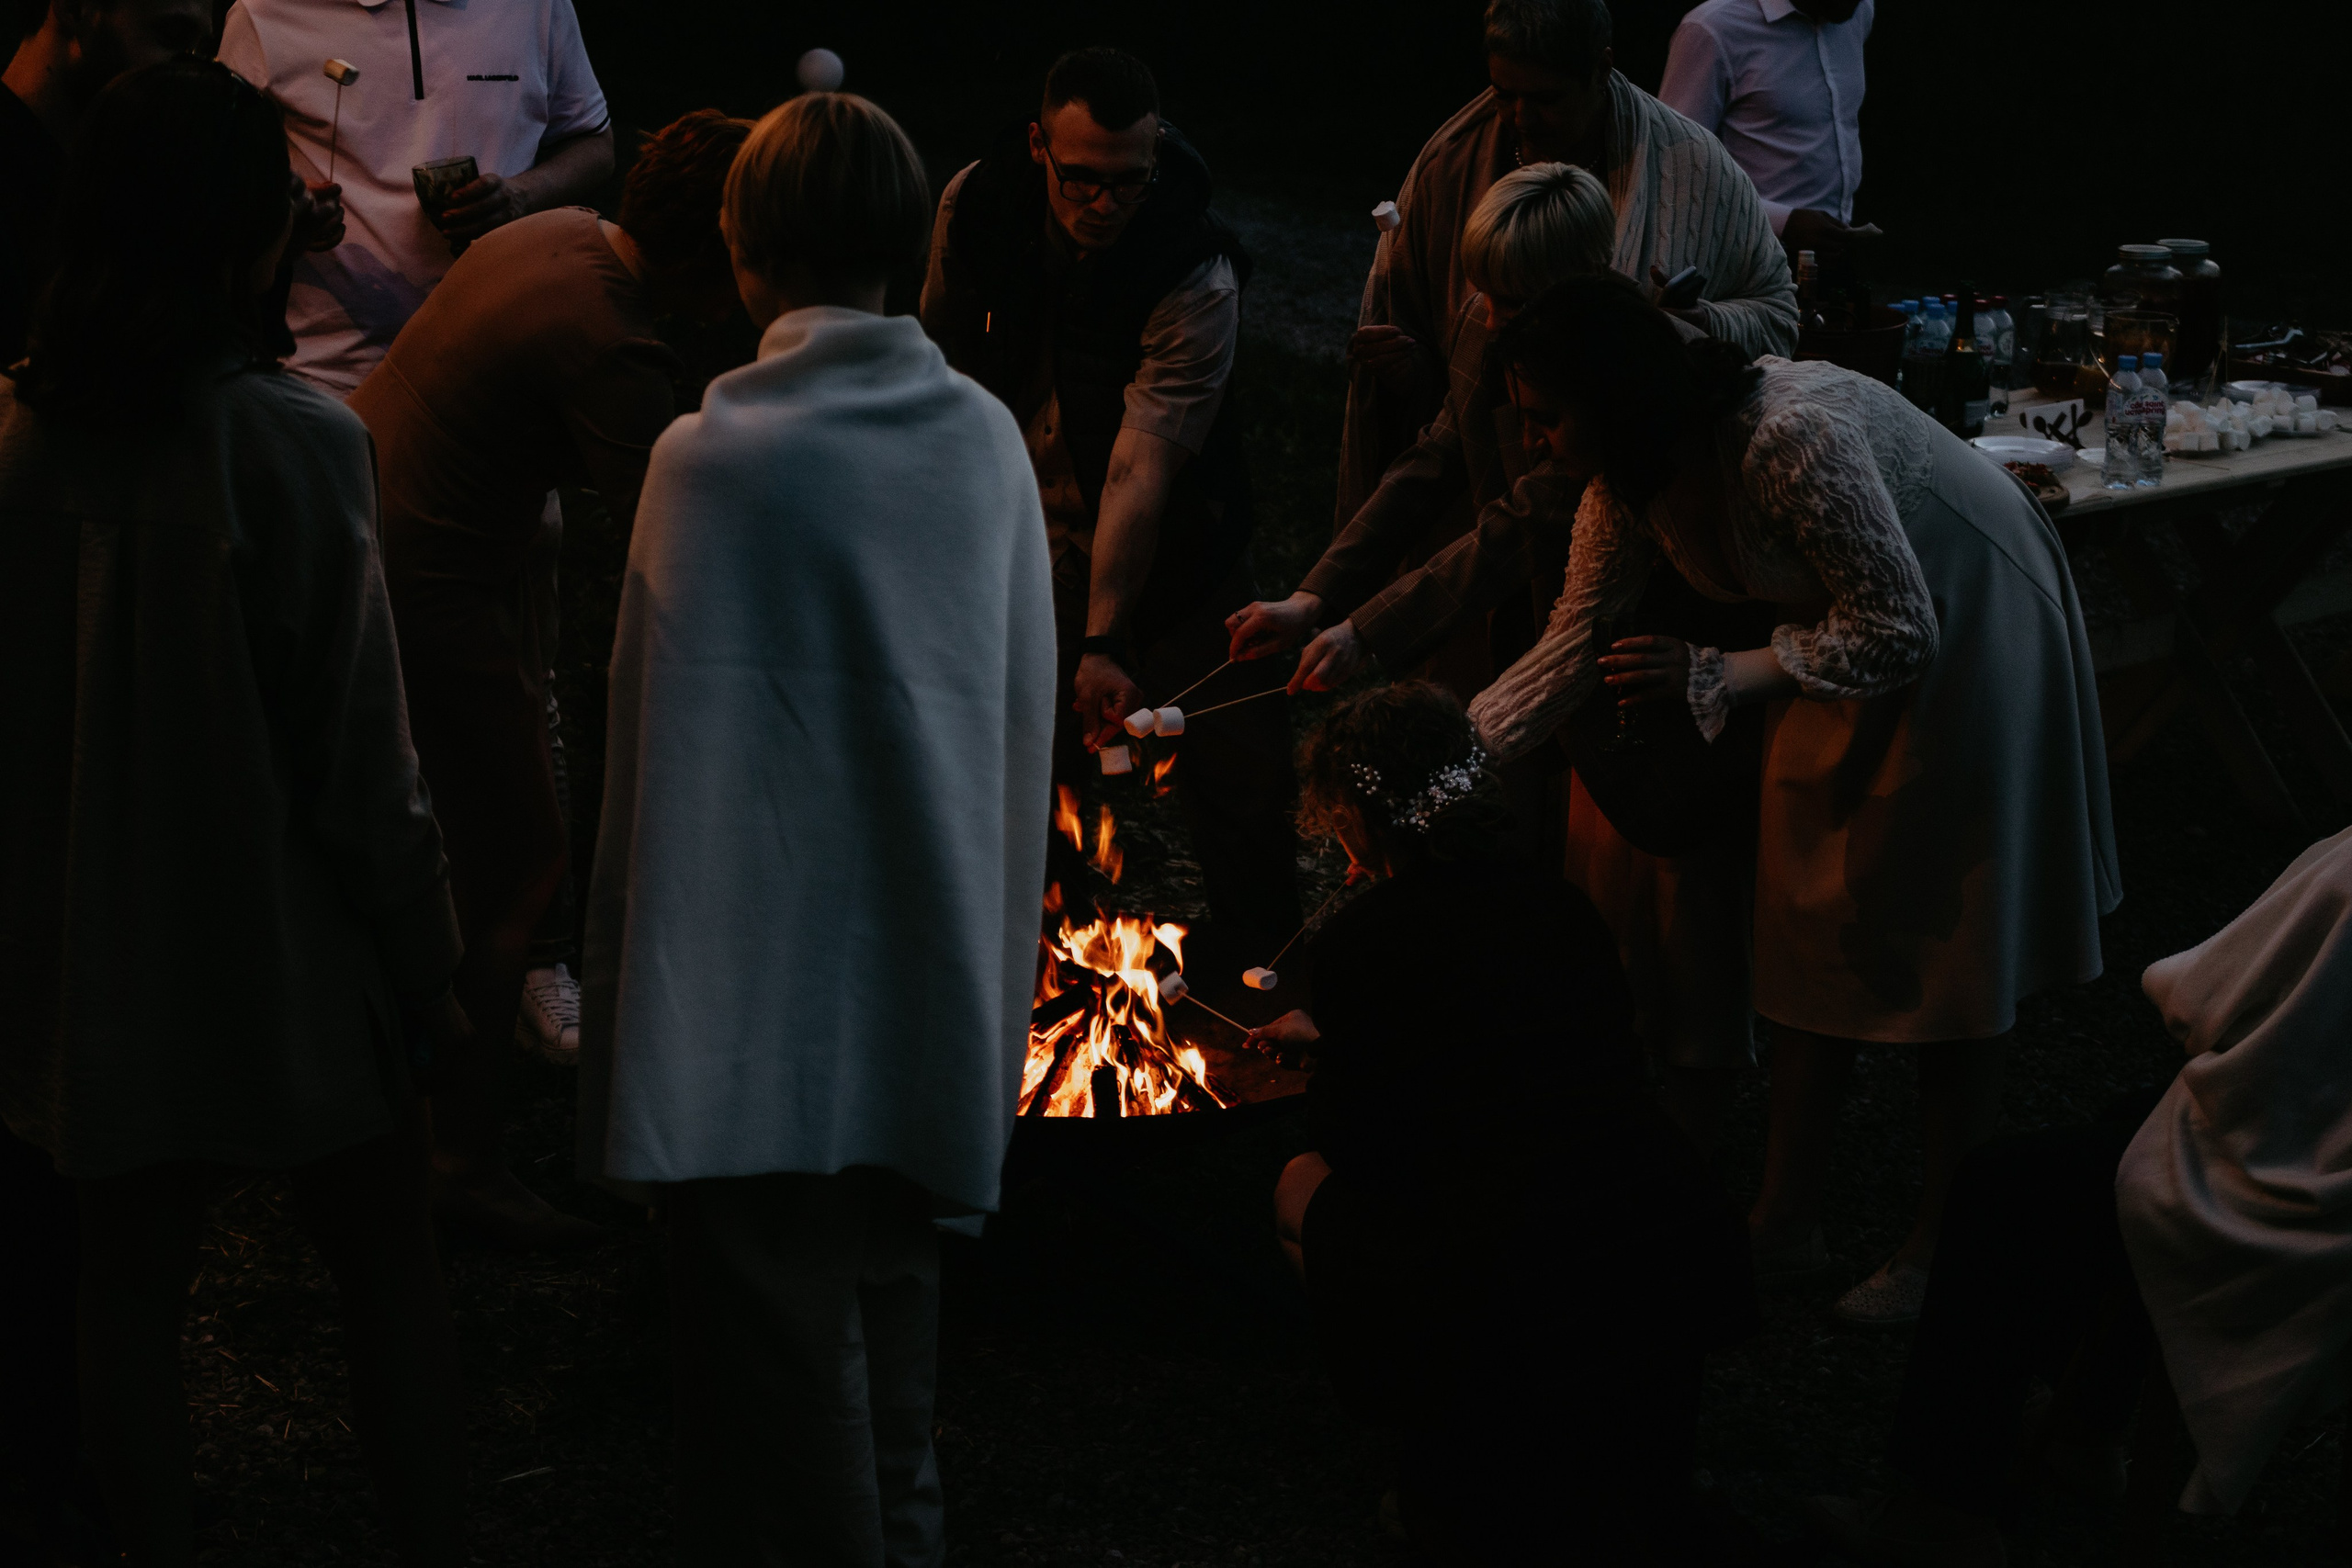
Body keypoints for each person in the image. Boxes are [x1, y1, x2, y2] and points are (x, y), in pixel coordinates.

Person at [0, 58, 468, 1565]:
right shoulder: (291, 445)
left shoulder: (16, 437)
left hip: (93, 950)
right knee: (387, 1263)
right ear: (237, 238)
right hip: (287, 959)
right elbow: (362, 754)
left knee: (125, 1281)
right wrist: (428, 968)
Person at [578, 91, 1055, 1565]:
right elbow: (1019, 722)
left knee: (782, 1393)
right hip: (920, 972)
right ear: (911, 251)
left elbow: (653, 764)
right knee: (890, 1332)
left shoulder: (707, 462)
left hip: (745, 1015)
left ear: (740, 253)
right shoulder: (981, 447)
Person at [1467, 276, 2120, 1325]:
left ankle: (1943, 1242)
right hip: (1820, 631)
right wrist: (1446, 772)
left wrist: (1723, 673)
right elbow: (1571, 644)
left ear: (1617, 396)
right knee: (1808, 904)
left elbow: (1901, 630)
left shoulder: (1786, 436)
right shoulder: (1629, 481)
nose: (1532, 440)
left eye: (1546, 416)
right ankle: (1786, 1220)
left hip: (1961, 612)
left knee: (1949, 929)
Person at [1230, 164, 1773, 1152]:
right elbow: (1433, 458)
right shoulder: (1502, 333)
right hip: (1537, 650)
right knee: (1529, 880)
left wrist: (1368, 634)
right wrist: (1319, 595)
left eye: (1508, 299)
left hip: (1633, 667)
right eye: (1480, 293)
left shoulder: (1622, 381)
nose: (1484, 318)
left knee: (1653, 912)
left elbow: (1519, 521)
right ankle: (1526, 1092)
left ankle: (1656, 1124)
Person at [347, 108, 747, 1246]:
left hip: (387, 546)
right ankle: (454, 1159)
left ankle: (408, 1103)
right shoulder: (611, 340)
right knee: (511, 863)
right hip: (433, 585)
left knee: (449, 857)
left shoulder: (565, 231)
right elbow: (696, 536)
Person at [1258, 682, 1752, 1560]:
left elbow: (1364, 1145)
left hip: (1503, 1257)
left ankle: (1456, 1437)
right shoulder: (1556, 903)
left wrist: (1339, 1059)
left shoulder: (1365, 943)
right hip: (1655, 1221)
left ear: (1355, 818)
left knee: (1302, 1188)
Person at [1808, 826, 2352, 1563]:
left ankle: (1942, 1511)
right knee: (2129, 1120)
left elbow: (2203, 999)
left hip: (2310, 1199)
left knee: (2006, 1187)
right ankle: (2086, 1424)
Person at [921, 45, 1301, 965]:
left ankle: (1268, 975)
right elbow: (937, 369)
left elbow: (1142, 467)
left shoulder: (1194, 267)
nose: (1102, 204)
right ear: (1038, 147)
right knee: (1021, 766)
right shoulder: (975, 203)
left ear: (1156, 158)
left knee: (1241, 770)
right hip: (1019, 529)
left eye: (1126, 183)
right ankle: (1040, 968)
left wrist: (1103, 641)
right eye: (1080, 178)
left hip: (1177, 543)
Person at [1335, 0, 1796, 535]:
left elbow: (1778, 314)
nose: (1520, 118)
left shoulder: (1691, 165)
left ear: (1601, 70)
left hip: (1638, 510)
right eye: (1503, 94)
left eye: (1546, 99)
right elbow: (1427, 369)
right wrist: (1406, 369)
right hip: (1480, 497)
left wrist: (1692, 323)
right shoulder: (1451, 165)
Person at [218, 0, 615, 396]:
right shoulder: (264, 13)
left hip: (499, 368)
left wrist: (521, 196)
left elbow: (593, 141)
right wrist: (287, 214)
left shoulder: (535, 7)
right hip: (330, 372)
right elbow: (209, 185)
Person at [3, 0, 214, 357]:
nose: (193, 74)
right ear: (74, 9)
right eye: (172, 37)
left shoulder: (113, 176)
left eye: (198, 52)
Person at [1658, 0, 1875, 266]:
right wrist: (1782, 222)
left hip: (1833, 258)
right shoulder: (1713, 28)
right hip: (1744, 263)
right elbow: (1673, 170)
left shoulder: (1856, 12)